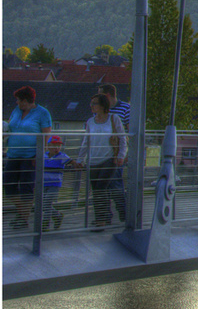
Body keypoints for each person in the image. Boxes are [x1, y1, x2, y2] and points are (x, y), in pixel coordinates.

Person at [5, 86, 53, 231]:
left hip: (30, 156)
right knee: (8, 186)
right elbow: (9, 127)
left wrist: (40, 154)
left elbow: (46, 135)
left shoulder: (42, 113)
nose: (17, 103)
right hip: (13, 154)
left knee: (26, 188)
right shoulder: (16, 111)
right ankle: (24, 213)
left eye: (18, 100)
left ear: (26, 101)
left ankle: (23, 219)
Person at [79, 93, 126, 232]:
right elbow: (85, 141)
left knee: (101, 187)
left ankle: (101, 220)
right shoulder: (90, 122)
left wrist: (121, 155)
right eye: (91, 103)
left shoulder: (113, 118)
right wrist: (80, 159)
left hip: (109, 159)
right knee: (97, 190)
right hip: (93, 160)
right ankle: (102, 218)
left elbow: (122, 138)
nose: (91, 106)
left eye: (94, 103)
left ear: (103, 105)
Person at [102, 83, 132, 222]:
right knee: (102, 184)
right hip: (102, 153)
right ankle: (105, 215)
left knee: (115, 183)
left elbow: (130, 132)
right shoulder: (101, 109)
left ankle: (124, 212)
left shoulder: (126, 108)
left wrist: (126, 153)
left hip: (117, 153)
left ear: (107, 95)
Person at [41, 135, 77, 230]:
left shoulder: (62, 156)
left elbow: (72, 161)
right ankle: (57, 216)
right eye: (54, 145)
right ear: (48, 146)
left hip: (54, 184)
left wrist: (78, 164)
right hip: (43, 183)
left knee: (47, 203)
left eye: (58, 146)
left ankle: (45, 224)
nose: (56, 148)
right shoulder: (44, 156)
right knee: (44, 203)